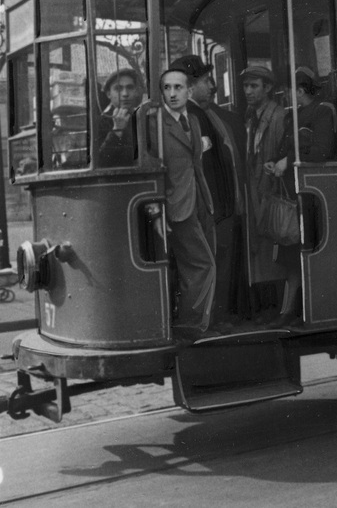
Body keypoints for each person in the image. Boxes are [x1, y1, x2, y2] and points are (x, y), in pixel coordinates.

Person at [169, 55, 245, 330]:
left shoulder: (202, 114)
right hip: (207, 209)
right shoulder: (191, 116)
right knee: (209, 264)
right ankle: (208, 323)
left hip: (215, 208)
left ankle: (213, 319)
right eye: (205, 81)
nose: (212, 86)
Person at [263, 66, 337, 327]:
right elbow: (286, 148)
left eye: (290, 90)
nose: (286, 94)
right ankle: (289, 311)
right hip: (292, 196)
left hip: (310, 196)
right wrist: (275, 161)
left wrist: (288, 160)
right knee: (292, 258)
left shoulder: (322, 112)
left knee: (303, 255)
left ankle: (303, 310)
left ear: (302, 90)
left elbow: (321, 151)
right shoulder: (292, 116)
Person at [153, 68, 216, 339]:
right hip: (176, 206)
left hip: (199, 199)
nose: (172, 93)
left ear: (189, 91)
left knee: (201, 263)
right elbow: (155, 171)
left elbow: (194, 163)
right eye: (167, 88)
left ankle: (198, 322)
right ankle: (192, 326)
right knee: (203, 265)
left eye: (178, 87)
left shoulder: (192, 120)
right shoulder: (156, 124)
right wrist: (158, 210)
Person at [242, 65, 287, 311]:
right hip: (255, 187)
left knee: (270, 246)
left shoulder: (278, 116)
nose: (248, 91)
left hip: (269, 188)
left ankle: (273, 306)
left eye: (254, 86)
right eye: (246, 86)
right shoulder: (251, 115)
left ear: (267, 88)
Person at [97, 67, 143, 167]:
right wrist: (117, 130)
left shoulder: (142, 117)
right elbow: (100, 162)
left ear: (136, 91)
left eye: (130, 88)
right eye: (118, 89)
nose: (125, 94)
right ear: (109, 94)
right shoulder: (101, 121)